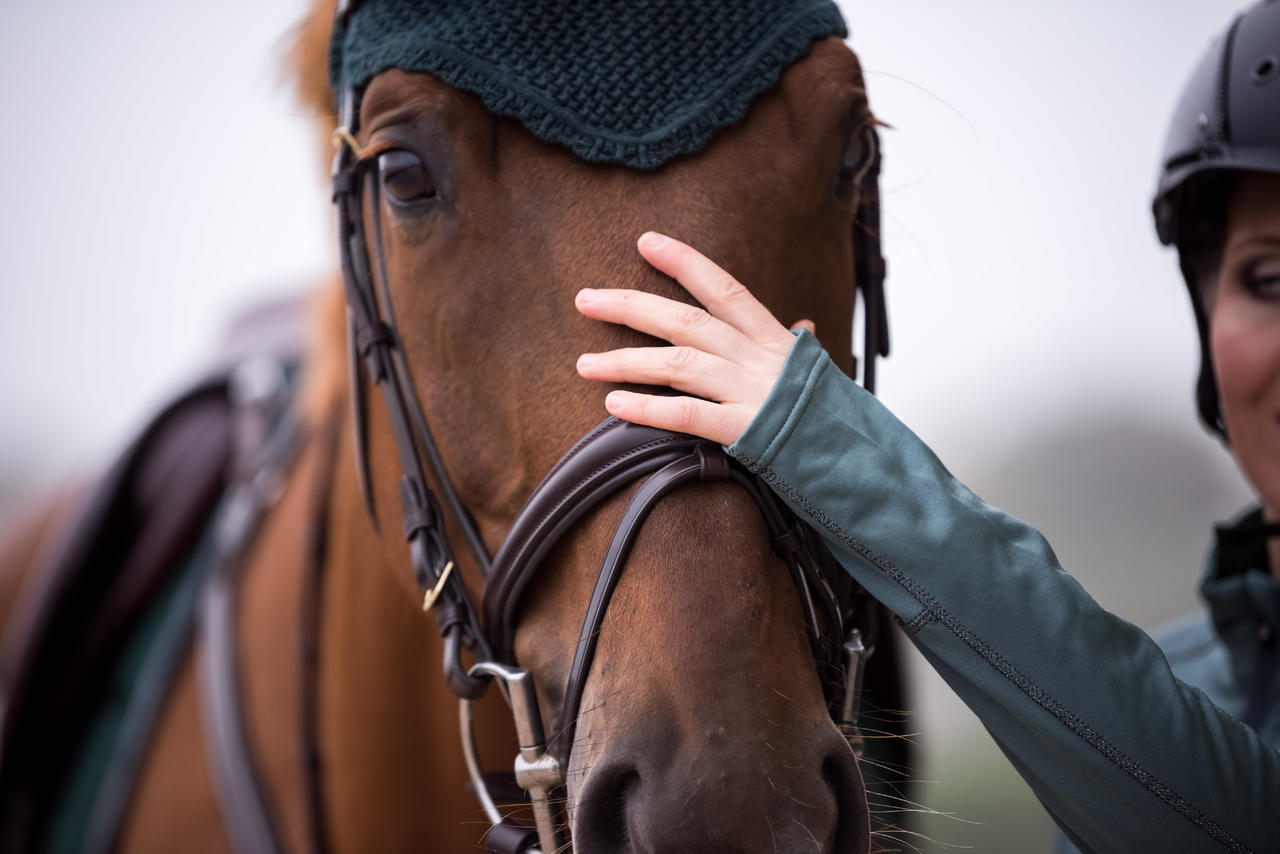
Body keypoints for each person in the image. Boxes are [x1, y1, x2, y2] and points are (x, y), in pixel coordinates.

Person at [573, 2, 1280, 852]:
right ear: (1206, 318)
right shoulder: (1193, 681)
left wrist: (821, 440)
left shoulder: (1161, 743)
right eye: (1269, 277)